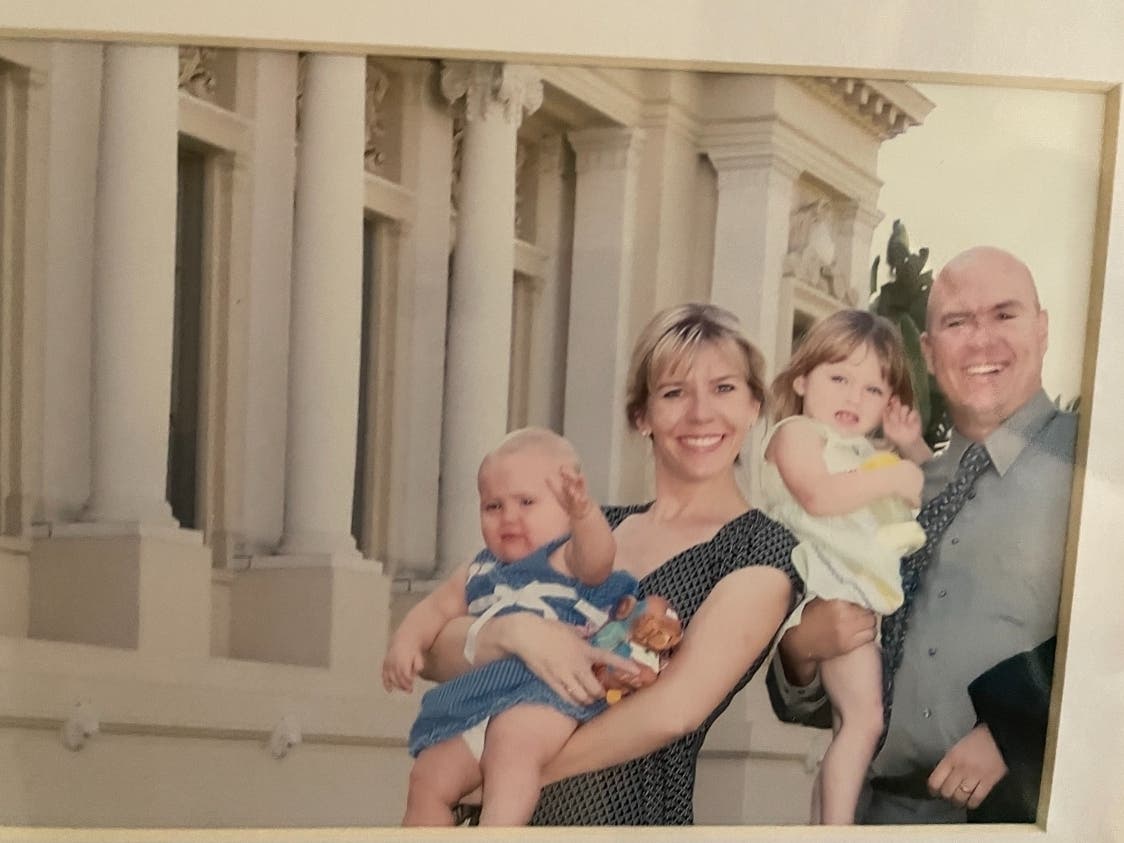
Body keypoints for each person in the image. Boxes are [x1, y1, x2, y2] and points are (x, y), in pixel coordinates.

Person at [419, 302, 803, 825]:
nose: (700, 413)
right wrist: (516, 634)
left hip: (624, 821)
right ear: (641, 415)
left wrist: (502, 775)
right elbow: (432, 649)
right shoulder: (583, 527)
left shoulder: (760, 548)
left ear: (755, 405)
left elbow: (674, 710)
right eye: (673, 392)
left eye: (724, 388)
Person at [768, 246, 1077, 824]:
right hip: (872, 812)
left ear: (1042, 329)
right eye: (958, 323)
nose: (981, 341)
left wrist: (1018, 725)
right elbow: (811, 683)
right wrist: (800, 650)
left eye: (1004, 315)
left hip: (1011, 819)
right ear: (930, 354)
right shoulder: (890, 487)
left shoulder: (1091, 466)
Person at [382, 426, 640, 826]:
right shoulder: (480, 567)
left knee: (511, 749)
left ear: (565, 508)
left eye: (526, 501)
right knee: (428, 775)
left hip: (546, 695)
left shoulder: (566, 556)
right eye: (493, 506)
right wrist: (405, 641)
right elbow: (435, 608)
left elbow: (599, 558)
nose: (509, 517)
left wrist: (586, 515)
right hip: (480, 700)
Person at [761, 309, 929, 824]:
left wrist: (910, 449)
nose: (854, 398)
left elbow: (920, 492)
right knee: (864, 721)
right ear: (802, 379)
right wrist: (893, 476)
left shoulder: (861, 451)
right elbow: (817, 495)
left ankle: (825, 826)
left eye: (873, 389)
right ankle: (835, 830)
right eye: (839, 378)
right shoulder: (796, 433)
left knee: (852, 726)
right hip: (824, 588)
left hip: (856, 592)